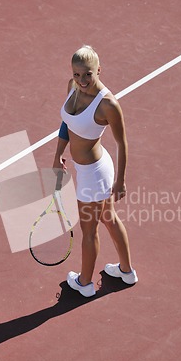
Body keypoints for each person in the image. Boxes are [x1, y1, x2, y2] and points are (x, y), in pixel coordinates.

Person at [53, 45, 137, 297]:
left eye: (88, 74)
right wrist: (58, 154)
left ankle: (85, 283)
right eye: (77, 74)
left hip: (95, 173)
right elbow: (67, 123)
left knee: (89, 231)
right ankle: (126, 271)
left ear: (98, 70)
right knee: (108, 218)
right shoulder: (72, 87)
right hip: (88, 169)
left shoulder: (108, 104)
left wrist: (120, 181)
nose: (82, 80)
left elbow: (122, 143)